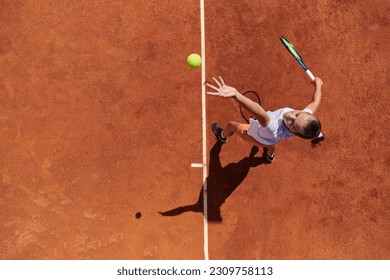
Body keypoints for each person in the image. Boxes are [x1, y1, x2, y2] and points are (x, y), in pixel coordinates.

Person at [206, 76, 324, 163]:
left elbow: (258, 111)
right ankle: (270, 156)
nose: (290, 116)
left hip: (254, 136)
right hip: (272, 140)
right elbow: (315, 102)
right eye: (297, 114)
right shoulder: (305, 122)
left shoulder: (273, 127)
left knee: (232, 125)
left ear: (294, 132)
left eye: (292, 123)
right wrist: (318, 85)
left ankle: (222, 136)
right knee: (271, 145)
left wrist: (236, 95)